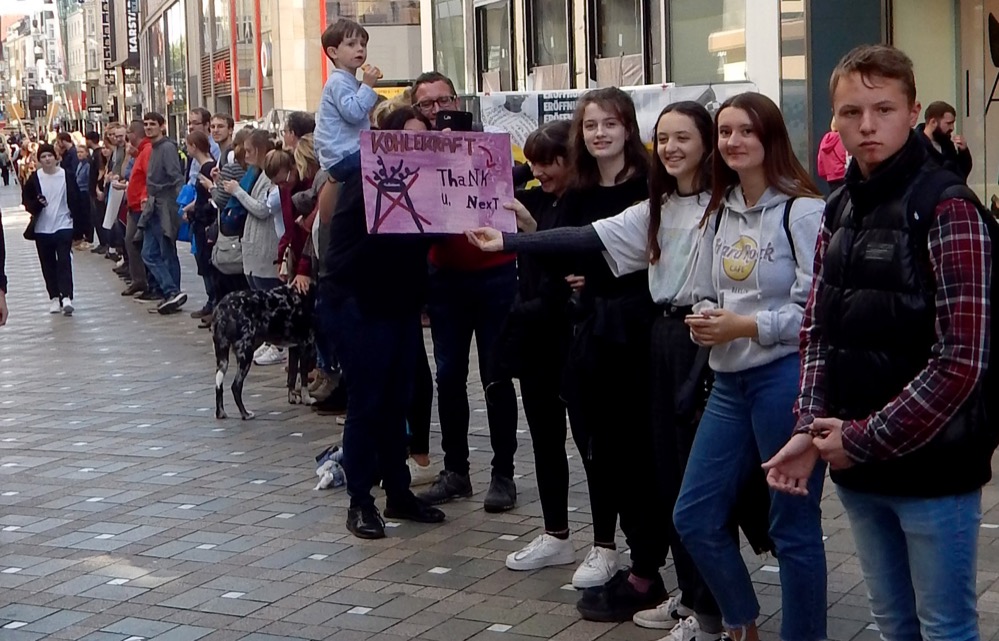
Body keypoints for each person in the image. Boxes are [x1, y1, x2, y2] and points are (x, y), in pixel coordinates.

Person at [765, 45, 992, 641]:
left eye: (883, 109)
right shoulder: (838, 205)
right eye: (850, 112)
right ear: (833, 121)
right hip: (855, 463)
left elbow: (961, 361)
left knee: (945, 628)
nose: (867, 125)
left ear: (914, 111)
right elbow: (817, 330)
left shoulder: (948, 207)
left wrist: (859, 440)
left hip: (933, 469)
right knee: (893, 624)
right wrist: (809, 428)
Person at [671, 92, 827, 641]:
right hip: (728, 381)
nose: (732, 142)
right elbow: (705, 289)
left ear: (770, 139)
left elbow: (816, 310)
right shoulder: (721, 208)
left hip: (785, 378)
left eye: (745, 132)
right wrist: (706, 317)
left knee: (793, 528)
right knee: (693, 514)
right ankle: (740, 620)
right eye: (724, 132)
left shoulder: (803, 210)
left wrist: (746, 326)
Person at [408, 71, 520, 513]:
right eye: (427, 105)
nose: (439, 111)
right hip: (446, 276)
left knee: (496, 375)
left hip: (494, 273)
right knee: (449, 376)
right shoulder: (416, 152)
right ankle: (456, 470)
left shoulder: (487, 144)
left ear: (457, 100)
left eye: (444, 100)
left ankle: (503, 474)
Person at [320, 167, 445, 540]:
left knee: (397, 401)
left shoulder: (420, 177)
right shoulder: (364, 175)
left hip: (400, 302)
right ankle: (360, 501)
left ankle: (398, 492)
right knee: (367, 403)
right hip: (359, 301)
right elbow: (333, 215)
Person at [20, 143, 88, 315]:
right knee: (47, 263)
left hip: (64, 223)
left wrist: (80, 229)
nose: (47, 159)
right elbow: (26, 201)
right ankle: (53, 297)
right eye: (43, 157)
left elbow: (77, 200)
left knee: (64, 260)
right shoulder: (35, 178)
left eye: (50, 155)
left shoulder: (67, 175)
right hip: (42, 227)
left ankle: (66, 296)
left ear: (56, 157)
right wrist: (37, 204)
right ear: (39, 160)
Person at [313, 18, 381, 182]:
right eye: (351, 44)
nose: (360, 49)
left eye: (363, 45)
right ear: (333, 52)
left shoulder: (346, 81)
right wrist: (367, 86)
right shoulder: (338, 82)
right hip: (343, 156)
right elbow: (353, 113)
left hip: (343, 155)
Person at [139, 112, 187, 314]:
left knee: (166, 251)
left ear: (162, 126)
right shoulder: (154, 147)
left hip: (165, 205)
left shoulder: (166, 147)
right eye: (146, 124)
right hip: (153, 204)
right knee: (149, 252)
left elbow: (176, 177)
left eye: (152, 124)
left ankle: (172, 291)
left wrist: (182, 204)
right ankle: (170, 291)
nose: (148, 127)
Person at [223, 130, 282, 294]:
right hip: (255, 249)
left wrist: (237, 191)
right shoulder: (258, 173)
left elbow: (263, 209)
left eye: (248, 151)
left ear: (259, 150)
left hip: (265, 249)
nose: (246, 156)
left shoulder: (269, 176)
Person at [187, 130, 220, 323]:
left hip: (205, 221)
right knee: (203, 261)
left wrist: (198, 209)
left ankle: (213, 302)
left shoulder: (207, 168)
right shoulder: (206, 166)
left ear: (194, 146)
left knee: (206, 262)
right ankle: (211, 301)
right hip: (200, 217)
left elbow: (209, 197)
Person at [121, 121, 153, 299]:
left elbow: (149, 176)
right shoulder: (141, 151)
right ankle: (138, 279)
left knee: (138, 242)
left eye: (129, 133)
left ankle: (145, 280)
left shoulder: (147, 150)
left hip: (140, 206)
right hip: (133, 205)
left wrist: (143, 197)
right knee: (131, 241)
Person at [915, 100, 972, 181]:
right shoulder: (916, 146)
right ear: (933, 122)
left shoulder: (947, 144)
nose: (952, 128)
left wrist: (963, 152)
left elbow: (961, 173)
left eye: (953, 123)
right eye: (948, 123)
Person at [816, 118, 847, 191]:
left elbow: (820, 160)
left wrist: (824, 174)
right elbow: (843, 156)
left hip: (830, 177)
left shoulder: (824, 140)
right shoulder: (841, 138)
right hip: (842, 175)